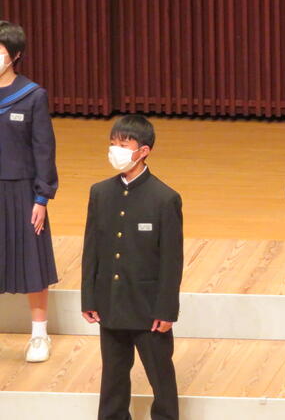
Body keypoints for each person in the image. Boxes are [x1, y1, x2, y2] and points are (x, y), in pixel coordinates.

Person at [81, 115, 183, 419]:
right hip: (110, 304)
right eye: (113, 143)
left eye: (124, 145)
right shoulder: (100, 193)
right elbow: (91, 251)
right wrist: (89, 298)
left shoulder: (165, 198)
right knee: (112, 378)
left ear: (144, 150)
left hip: (148, 309)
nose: (116, 150)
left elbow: (171, 260)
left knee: (160, 378)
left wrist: (166, 310)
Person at [0, 21, 59, 362]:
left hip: (22, 191)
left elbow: (44, 149)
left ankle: (39, 335)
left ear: (15, 55)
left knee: (32, 262)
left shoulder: (32, 95)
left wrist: (41, 197)